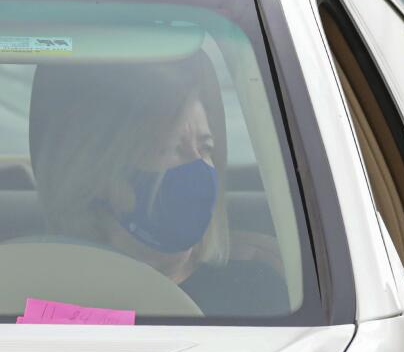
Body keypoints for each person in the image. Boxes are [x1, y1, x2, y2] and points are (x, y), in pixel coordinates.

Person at [27, 53, 287, 316]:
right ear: (104, 176)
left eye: (206, 147)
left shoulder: (255, 292)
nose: (199, 166)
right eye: (172, 148)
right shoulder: (32, 291)